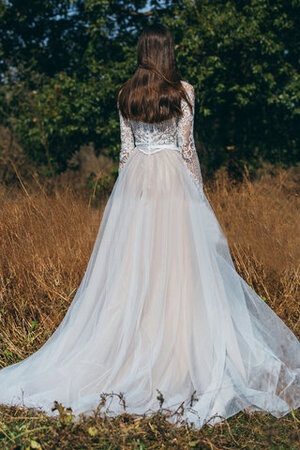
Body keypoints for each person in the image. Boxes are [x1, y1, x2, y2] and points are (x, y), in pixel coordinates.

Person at [0, 24, 299, 429]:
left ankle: (138, 346)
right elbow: (187, 150)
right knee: (181, 271)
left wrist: (123, 204)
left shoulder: (125, 94)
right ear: (167, 52)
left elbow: (125, 152)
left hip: (138, 183)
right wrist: (200, 199)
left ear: (142, 52)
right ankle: (177, 353)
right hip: (174, 182)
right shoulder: (184, 92)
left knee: (134, 271)